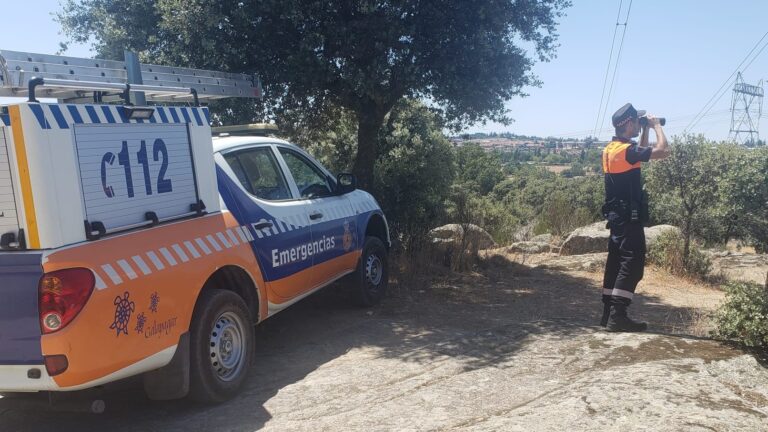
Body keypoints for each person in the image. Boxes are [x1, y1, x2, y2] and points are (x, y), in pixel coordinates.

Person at [600, 103, 669, 332]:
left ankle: (608, 313)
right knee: (633, 263)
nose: (639, 124)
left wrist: (645, 130)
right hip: (629, 217)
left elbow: (638, 157)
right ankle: (618, 316)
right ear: (629, 123)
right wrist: (657, 126)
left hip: (616, 216)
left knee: (616, 261)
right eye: (637, 122)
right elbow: (663, 151)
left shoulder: (613, 149)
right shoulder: (626, 151)